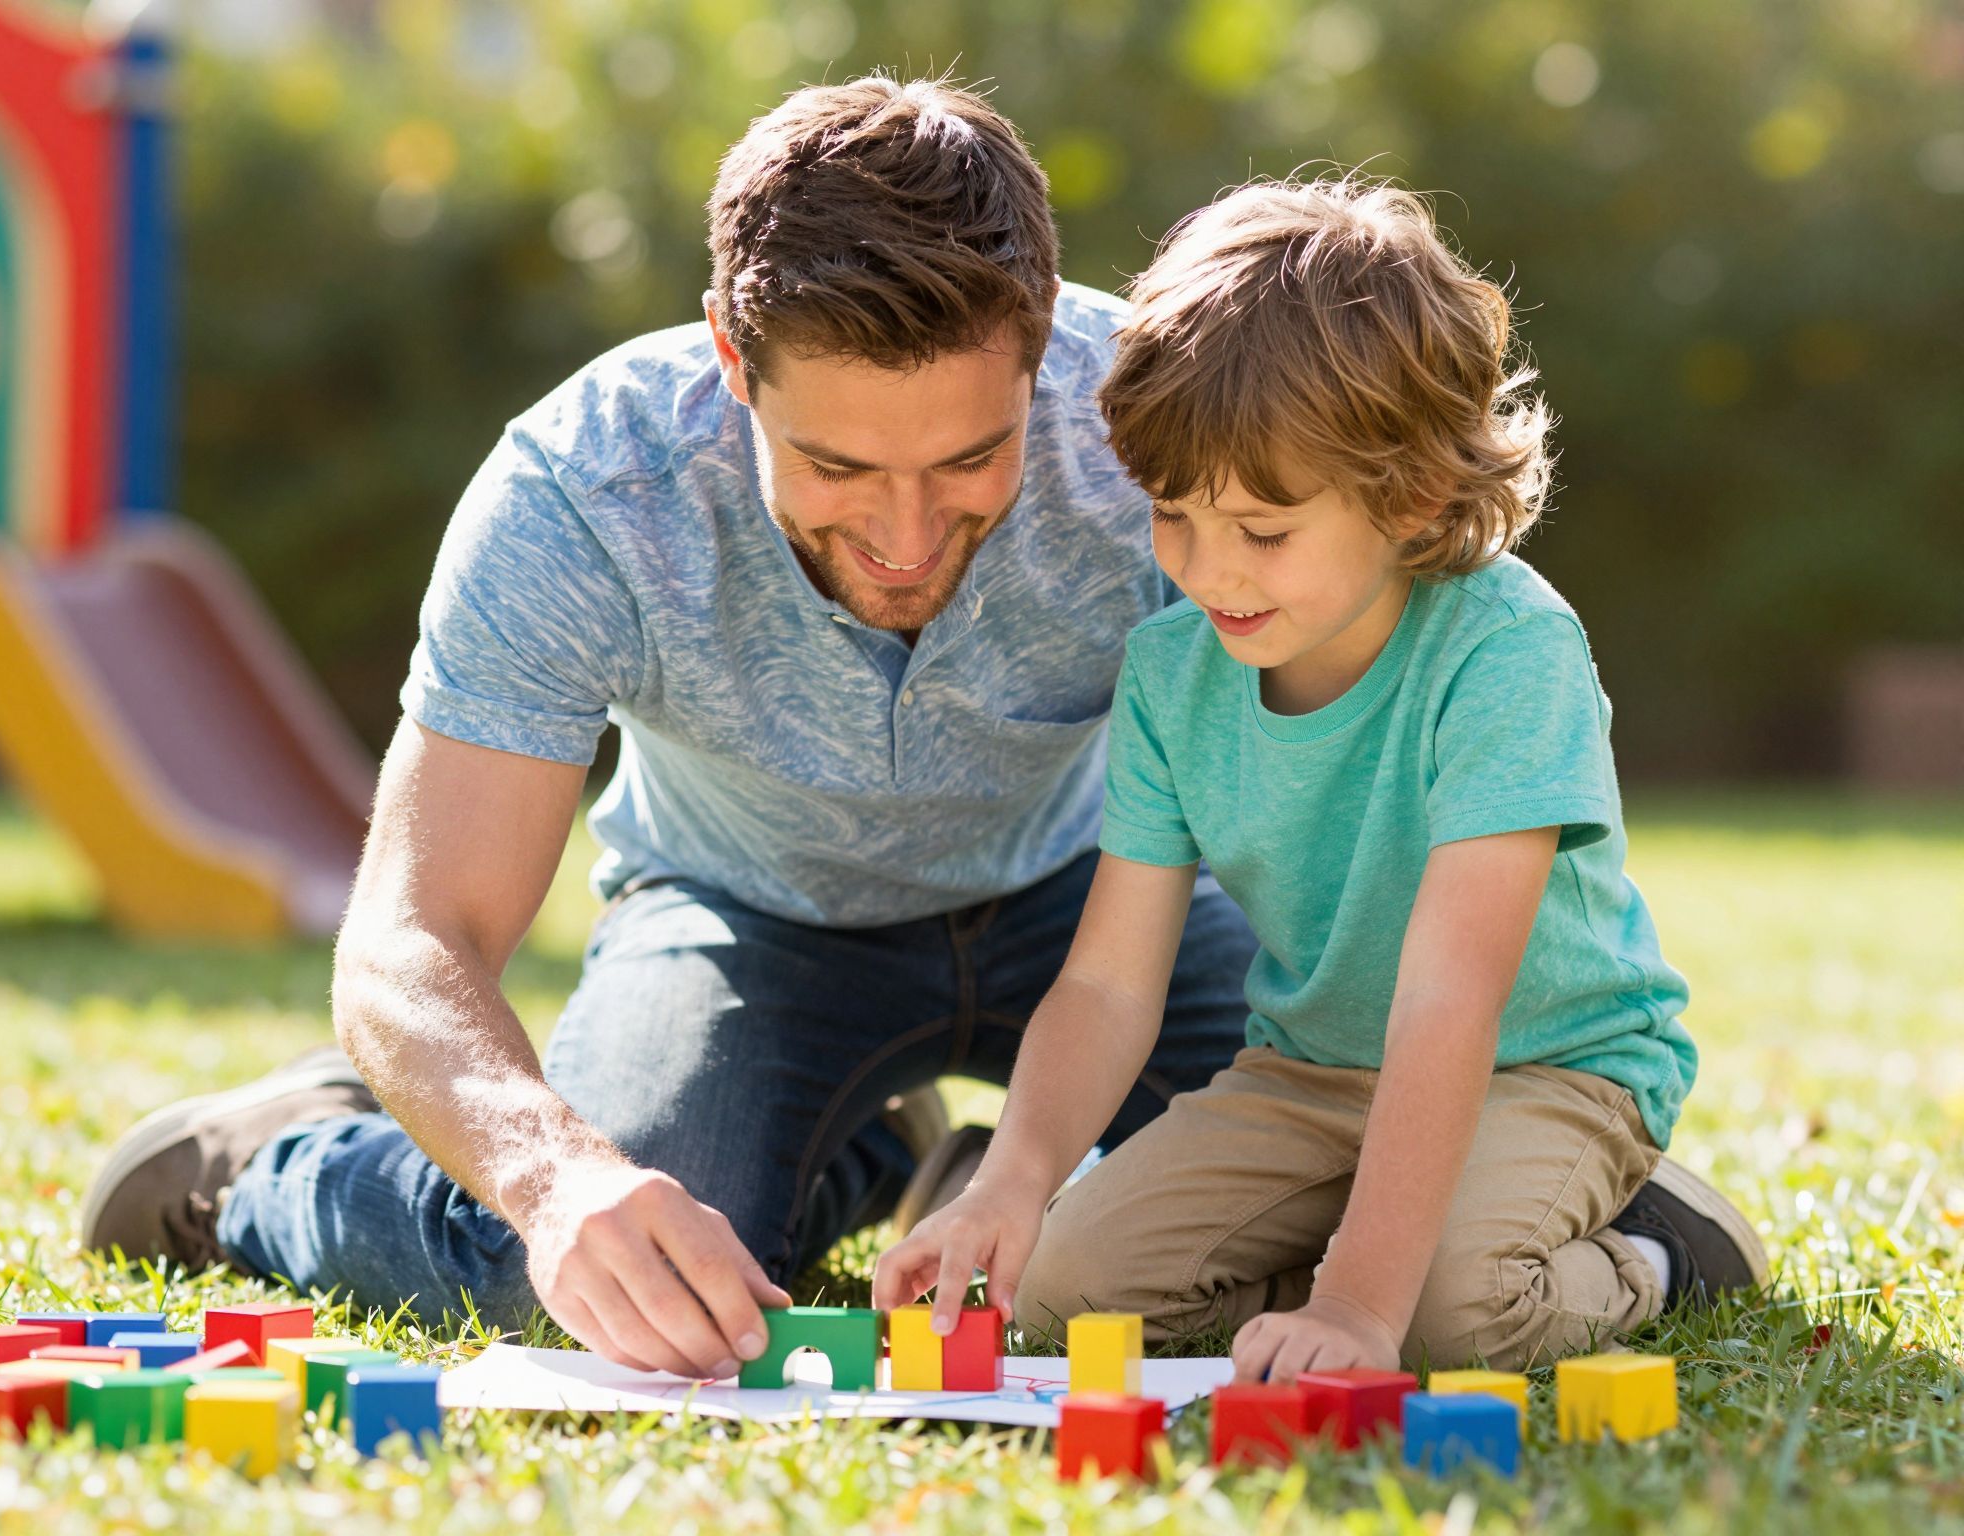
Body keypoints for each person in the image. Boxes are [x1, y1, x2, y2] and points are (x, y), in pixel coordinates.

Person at [79, 76, 1261, 1383]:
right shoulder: (582, 491)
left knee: (1302, 1205)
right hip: (744, 921)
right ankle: (274, 1156)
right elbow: (414, 937)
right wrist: (555, 1180)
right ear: (729, 359)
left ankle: (924, 1158)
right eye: (840, 469)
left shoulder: (1157, 432)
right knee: (588, 1292)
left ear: (1043, 350)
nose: (907, 535)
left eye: (966, 462)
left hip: (1100, 907)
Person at [873, 175, 1766, 1378]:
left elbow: (1450, 999)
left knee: (1448, 1322)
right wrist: (1019, 1177)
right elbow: (1106, 984)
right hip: (1311, 1073)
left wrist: (1354, 1305)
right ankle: (1367, 1255)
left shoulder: (1505, 653)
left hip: (1540, 1071)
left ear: (1406, 496)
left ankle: (1665, 1246)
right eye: (1172, 514)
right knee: (1067, 1291)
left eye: (1262, 530)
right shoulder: (1169, 674)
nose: (1205, 569)